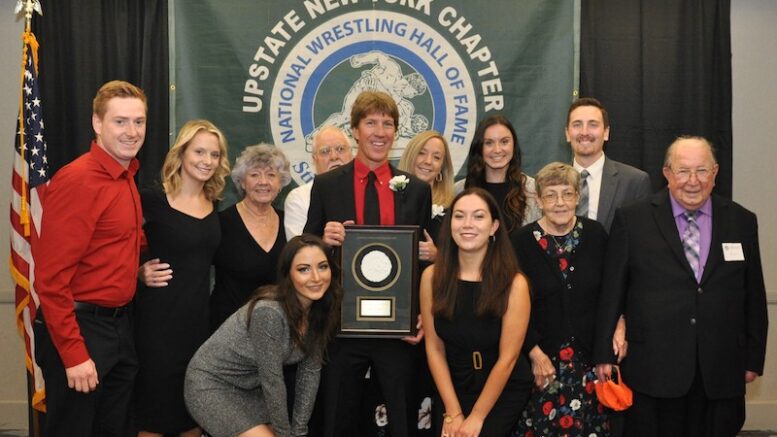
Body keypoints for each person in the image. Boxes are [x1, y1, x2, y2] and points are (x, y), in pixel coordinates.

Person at [593, 136, 768, 436]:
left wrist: (754, 357)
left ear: (715, 172)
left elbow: (753, 295)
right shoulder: (632, 219)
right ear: (667, 173)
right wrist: (603, 355)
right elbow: (612, 292)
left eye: (702, 171)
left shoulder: (741, 221)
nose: (693, 181)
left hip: (721, 368)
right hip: (654, 368)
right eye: (683, 171)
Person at [304, 90, 432, 437]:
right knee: (336, 420)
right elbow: (305, 251)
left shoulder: (417, 190)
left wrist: (423, 309)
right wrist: (323, 240)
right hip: (342, 325)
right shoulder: (327, 185)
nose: (380, 132)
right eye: (371, 123)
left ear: (396, 132)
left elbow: (426, 262)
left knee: (403, 421)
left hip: (399, 328)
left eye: (388, 124)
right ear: (355, 130)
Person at [32, 80, 146, 435]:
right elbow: (50, 280)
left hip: (119, 328)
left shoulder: (126, 176)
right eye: (120, 121)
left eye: (139, 121)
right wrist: (74, 354)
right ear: (97, 123)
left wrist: (137, 272)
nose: (132, 131)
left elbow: (110, 248)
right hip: (80, 330)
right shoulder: (79, 180)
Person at [184, 234, 343, 437]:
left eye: (322, 266)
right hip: (212, 385)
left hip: (251, 390)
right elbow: (272, 379)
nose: (316, 277)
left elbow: (310, 373)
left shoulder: (320, 310)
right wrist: (285, 434)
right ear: (288, 274)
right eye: (304, 269)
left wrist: (299, 431)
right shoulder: (269, 312)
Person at [134, 119, 230, 437]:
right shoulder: (152, 199)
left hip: (198, 326)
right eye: (199, 151)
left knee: (192, 415)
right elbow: (112, 243)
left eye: (214, 154)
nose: (207, 160)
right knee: (154, 417)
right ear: (182, 153)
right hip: (157, 325)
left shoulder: (214, 203)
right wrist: (136, 272)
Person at [510, 162, 617, 436]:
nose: (560, 202)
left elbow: (612, 293)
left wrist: (613, 338)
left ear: (577, 197)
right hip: (541, 364)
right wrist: (534, 352)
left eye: (567, 194)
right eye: (551, 195)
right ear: (538, 200)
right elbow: (509, 307)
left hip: (590, 363)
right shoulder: (520, 242)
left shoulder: (596, 235)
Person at [421, 187, 533, 437]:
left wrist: (477, 417)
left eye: (478, 216)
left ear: (494, 227)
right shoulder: (432, 278)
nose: (467, 224)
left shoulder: (514, 284)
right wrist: (453, 412)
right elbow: (434, 348)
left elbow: (508, 359)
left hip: (502, 389)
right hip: (452, 386)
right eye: (459, 216)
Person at [210, 144, 291, 331]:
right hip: (228, 329)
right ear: (242, 182)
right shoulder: (221, 223)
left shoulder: (289, 222)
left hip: (276, 328)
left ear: (280, 183)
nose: (263, 182)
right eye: (254, 175)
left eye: (271, 175)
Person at [566, 97, 652, 231]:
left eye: (593, 124)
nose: (584, 132)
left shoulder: (635, 182)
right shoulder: (551, 181)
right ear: (567, 133)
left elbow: (642, 234)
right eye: (577, 124)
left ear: (606, 133)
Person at [457, 115, 541, 233]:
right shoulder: (459, 191)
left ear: (514, 145)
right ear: (479, 147)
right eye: (489, 143)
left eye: (504, 142)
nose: (497, 150)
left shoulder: (533, 190)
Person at [284, 126, 353, 239]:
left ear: (352, 154)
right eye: (325, 151)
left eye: (340, 149)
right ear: (314, 159)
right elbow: (298, 247)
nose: (334, 157)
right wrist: (323, 241)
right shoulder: (298, 198)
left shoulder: (364, 188)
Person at [398, 130, 455, 262]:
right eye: (421, 153)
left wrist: (437, 256)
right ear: (410, 156)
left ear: (442, 167)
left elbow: (462, 258)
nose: (428, 161)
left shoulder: (452, 209)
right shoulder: (391, 197)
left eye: (436, 157)